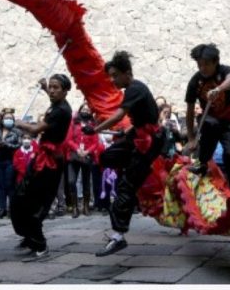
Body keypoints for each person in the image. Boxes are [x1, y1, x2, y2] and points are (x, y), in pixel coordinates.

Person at [84, 51, 163, 257]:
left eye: (115, 75)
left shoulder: (135, 88)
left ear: (127, 73)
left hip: (148, 142)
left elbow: (120, 114)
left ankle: (118, 236)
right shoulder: (133, 89)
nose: (112, 80)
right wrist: (122, 132)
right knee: (106, 157)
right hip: (137, 135)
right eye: (110, 75)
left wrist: (96, 129)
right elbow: (140, 120)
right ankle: (136, 175)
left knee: (125, 187)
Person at [10, 74, 73, 260]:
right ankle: (30, 236)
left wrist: (20, 123)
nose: (51, 91)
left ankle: (39, 244)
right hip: (43, 158)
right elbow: (53, 101)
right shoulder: (58, 105)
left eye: (55, 88)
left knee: (34, 201)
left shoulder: (61, 110)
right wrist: (45, 87)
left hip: (49, 163)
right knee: (22, 197)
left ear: (65, 91)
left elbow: (36, 130)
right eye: (50, 87)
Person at [184, 44, 230, 190]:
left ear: (215, 62)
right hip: (208, 122)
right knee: (209, 128)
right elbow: (190, 111)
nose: (202, 68)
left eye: (206, 64)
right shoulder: (195, 81)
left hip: (226, 122)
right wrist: (191, 138)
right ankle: (201, 168)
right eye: (199, 65)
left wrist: (218, 89)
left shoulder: (223, 71)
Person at [0, 109, 22, 218]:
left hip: (10, 161)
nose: (8, 120)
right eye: (6, 118)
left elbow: (19, 145)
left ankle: (11, 209)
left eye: (10, 118)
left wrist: (7, 144)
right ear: (2, 120)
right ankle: (1, 208)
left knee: (10, 185)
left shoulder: (17, 132)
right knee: (0, 186)